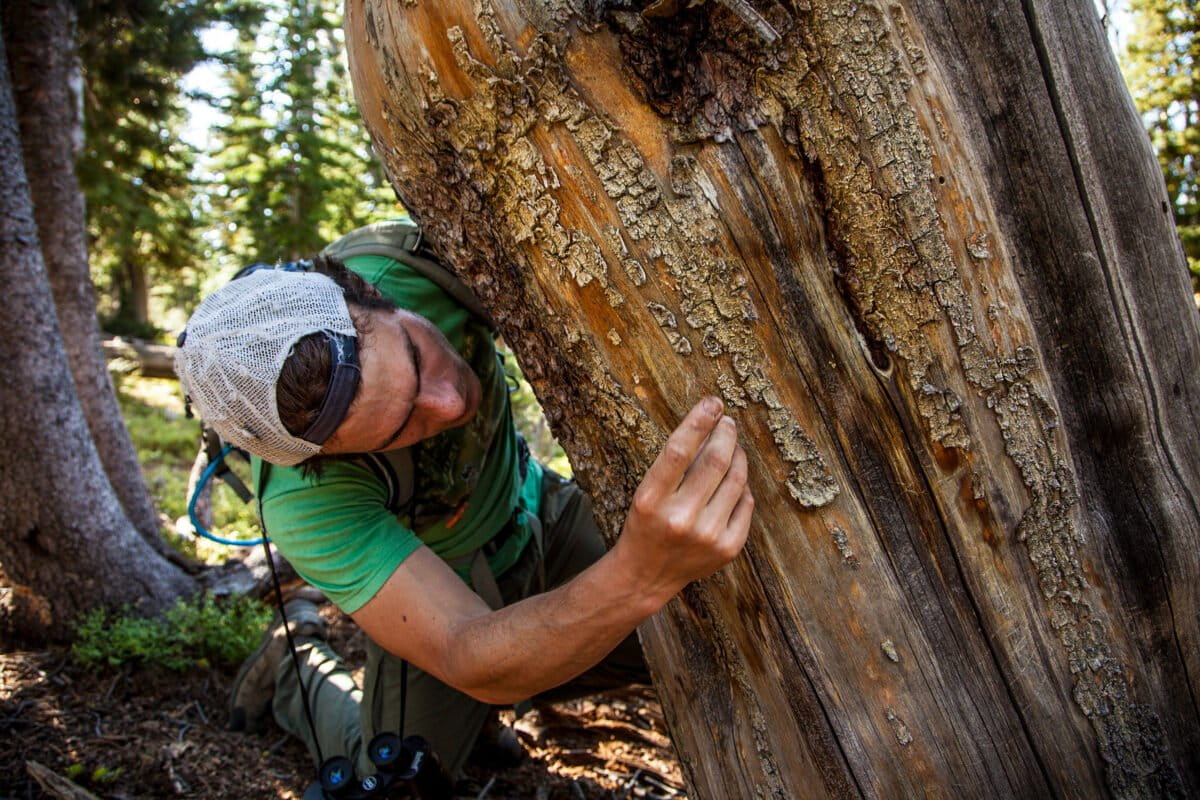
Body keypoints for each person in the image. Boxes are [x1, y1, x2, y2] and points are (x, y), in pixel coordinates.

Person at [174, 235, 754, 786]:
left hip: (539, 512)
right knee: (399, 781)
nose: (450, 402)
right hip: (443, 589)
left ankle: (482, 710)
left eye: (418, 356)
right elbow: (464, 648)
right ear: (324, 460)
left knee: (722, 625)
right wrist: (640, 575)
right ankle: (293, 667)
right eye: (401, 428)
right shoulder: (306, 504)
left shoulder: (403, 263)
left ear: (368, 294)